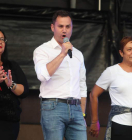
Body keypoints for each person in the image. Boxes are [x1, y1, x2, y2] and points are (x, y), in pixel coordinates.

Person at [33, 10, 87, 140]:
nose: (64, 30)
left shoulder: (78, 54)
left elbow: (82, 85)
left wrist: (83, 114)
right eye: (60, 26)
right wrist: (62, 54)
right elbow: (42, 76)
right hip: (53, 107)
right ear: (52, 27)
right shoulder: (42, 50)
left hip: (76, 108)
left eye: (68, 26)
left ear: (72, 28)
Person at [89, 36, 132, 140]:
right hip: (120, 124)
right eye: (129, 49)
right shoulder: (112, 71)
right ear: (121, 53)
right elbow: (93, 94)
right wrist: (94, 121)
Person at [0, 28, 29, 140]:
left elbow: (24, 91)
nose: (0, 41)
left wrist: (11, 85)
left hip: (9, 123)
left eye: (2, 39)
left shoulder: (12, 66)